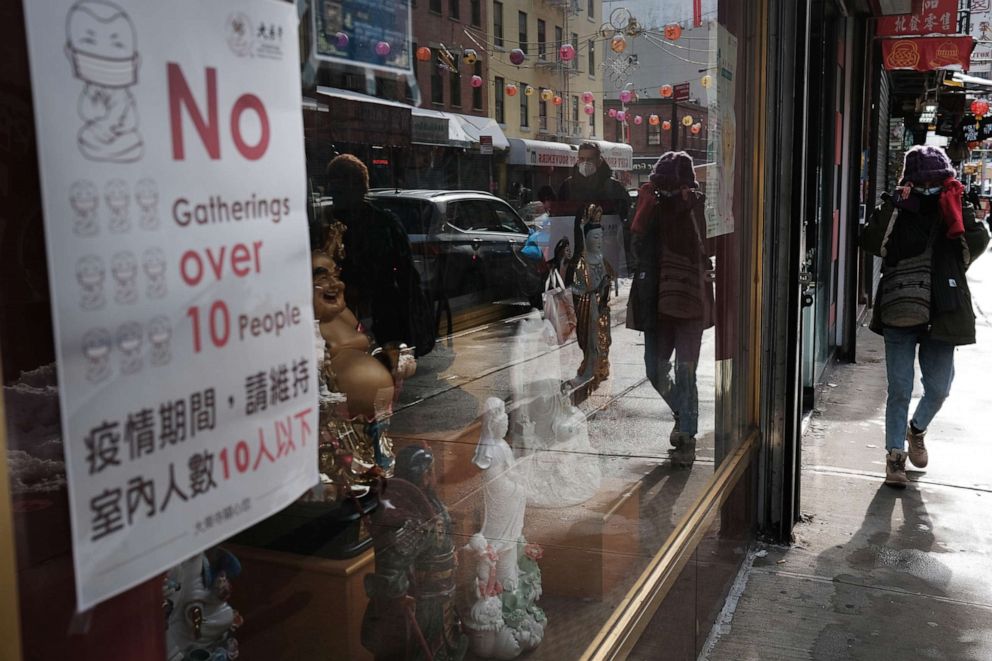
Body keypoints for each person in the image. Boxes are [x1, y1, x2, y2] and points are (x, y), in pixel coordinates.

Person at [860, 145, 989, 488]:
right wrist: (894, 204)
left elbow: (977, 244)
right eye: (924, 182)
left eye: (937, 182)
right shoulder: (899, 208)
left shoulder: (953, 210)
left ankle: (916, 429)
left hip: (943, 312)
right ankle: (894, 459)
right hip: (900, 309)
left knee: (939, 388)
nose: (929, 188)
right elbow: (872, 242)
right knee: (900, 387)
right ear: (911, 180)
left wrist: (959, 208)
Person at [627, 151, 714, 468]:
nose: (665, 193)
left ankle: (688, 437)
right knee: (654, 367)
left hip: (690, 299)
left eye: (669, 187)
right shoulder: (653, 209)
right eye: (659, 187)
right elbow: (633, 245)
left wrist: (686, 204)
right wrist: (646, 207)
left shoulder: (697, 207)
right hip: (656, 302)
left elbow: (707, 245)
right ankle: (682, 413)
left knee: (685, 371)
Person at [324, 154, 435, 357]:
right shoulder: (380, 223)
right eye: (333, 188)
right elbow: (407, 273)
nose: (334, 194)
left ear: (356, 187)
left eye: (339, 188)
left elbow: (404, 274)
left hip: (377, 314)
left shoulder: (333, 227)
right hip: (368, 315)